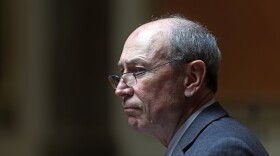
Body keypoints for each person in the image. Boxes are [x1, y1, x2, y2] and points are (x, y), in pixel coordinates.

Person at [108, 15, 269, 156]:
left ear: (192, 78)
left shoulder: (222, 149)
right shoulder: (199, 140)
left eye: (138, 71)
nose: (121, 90)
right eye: (122, 72)